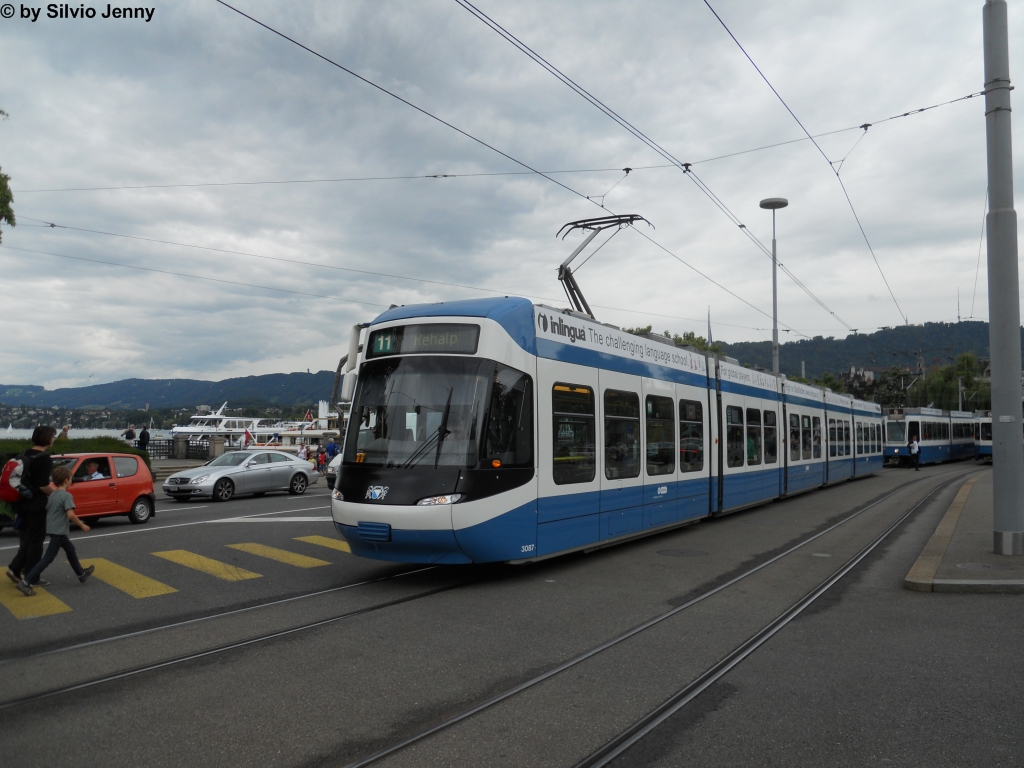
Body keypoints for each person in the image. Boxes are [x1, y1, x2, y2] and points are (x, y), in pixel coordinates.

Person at [16, 466, 94, 596]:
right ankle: (26, 582)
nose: (71, 482)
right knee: (48, 558)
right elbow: (70, 515)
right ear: (66, 480)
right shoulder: (66, 496)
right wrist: (82, 525)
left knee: (70, 550)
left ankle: (81, 573)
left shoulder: (52, 495)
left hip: (53, 528)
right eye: (70, 479)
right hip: (59, 530)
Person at [6, 426, 58, 586]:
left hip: (21, 502)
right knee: (37, 539)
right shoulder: (45, 458)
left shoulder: (24, 453)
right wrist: (57, 495)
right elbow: (43, 485)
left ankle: (15, 568)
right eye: (53, 436)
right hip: (36, 504)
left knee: (30, 537)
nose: (54, 439)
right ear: (47, 438)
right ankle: (32, 577)